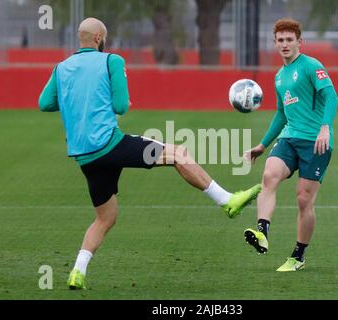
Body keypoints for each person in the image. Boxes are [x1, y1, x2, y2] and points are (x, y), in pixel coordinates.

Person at [38, 17, 261, 289]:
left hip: (86, 158)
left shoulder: (61, 68)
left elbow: (44, 103)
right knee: (178, 153)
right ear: (98, 39)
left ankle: (77, 271)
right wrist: (116, 101)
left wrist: (77, 101)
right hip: (111, 145)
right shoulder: (112, 61)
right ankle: (228, 201)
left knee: (105, 217)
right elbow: (121, 106)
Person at [243, 18, 338, 272]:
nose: (285, 44)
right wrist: (262, 145)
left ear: (299, 42)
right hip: (289, 137)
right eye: (280, 40)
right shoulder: (279, 76)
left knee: (303, 199)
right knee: (269, 176)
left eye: (289, 40)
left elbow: (332, 96)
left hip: (315, 143)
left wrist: (325, 127)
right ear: (275, 43)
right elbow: (281, 114)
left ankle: (298, 256)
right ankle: (262, 231)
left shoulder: (311, 66)